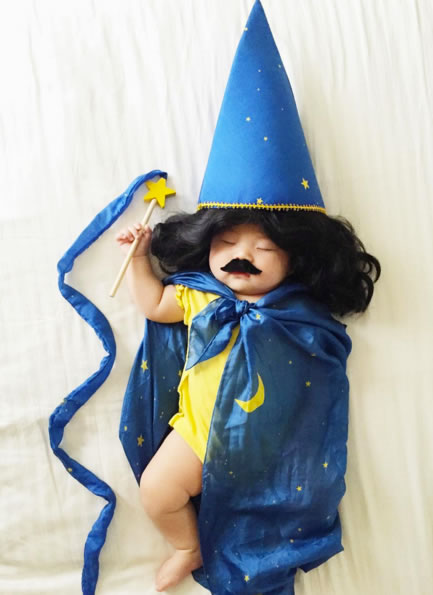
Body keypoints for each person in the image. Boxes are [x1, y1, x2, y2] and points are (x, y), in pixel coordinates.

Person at [116, 206, 380, 591]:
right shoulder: (199, 296)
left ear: (294, 259)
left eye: (265, 248)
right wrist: (139, 258)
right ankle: (189, 546)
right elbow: (154, 305)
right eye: (226, 242)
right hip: (197, 435)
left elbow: (318, 372)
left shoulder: (298, 315)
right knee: (157, 492)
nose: (242, 254)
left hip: (265, 448)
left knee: (272, 513)